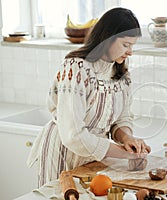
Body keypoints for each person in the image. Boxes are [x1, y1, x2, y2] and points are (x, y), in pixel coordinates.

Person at [27, 7, 151, 187]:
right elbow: (73, 135)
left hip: (92, 157)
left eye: (133, 45)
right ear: (107, 39)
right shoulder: (75, 69)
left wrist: (127, 139)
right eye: (126, 45)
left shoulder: (121, 74)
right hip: (63, 152)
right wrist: (124, 154)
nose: (130, 52)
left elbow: (122, 118)